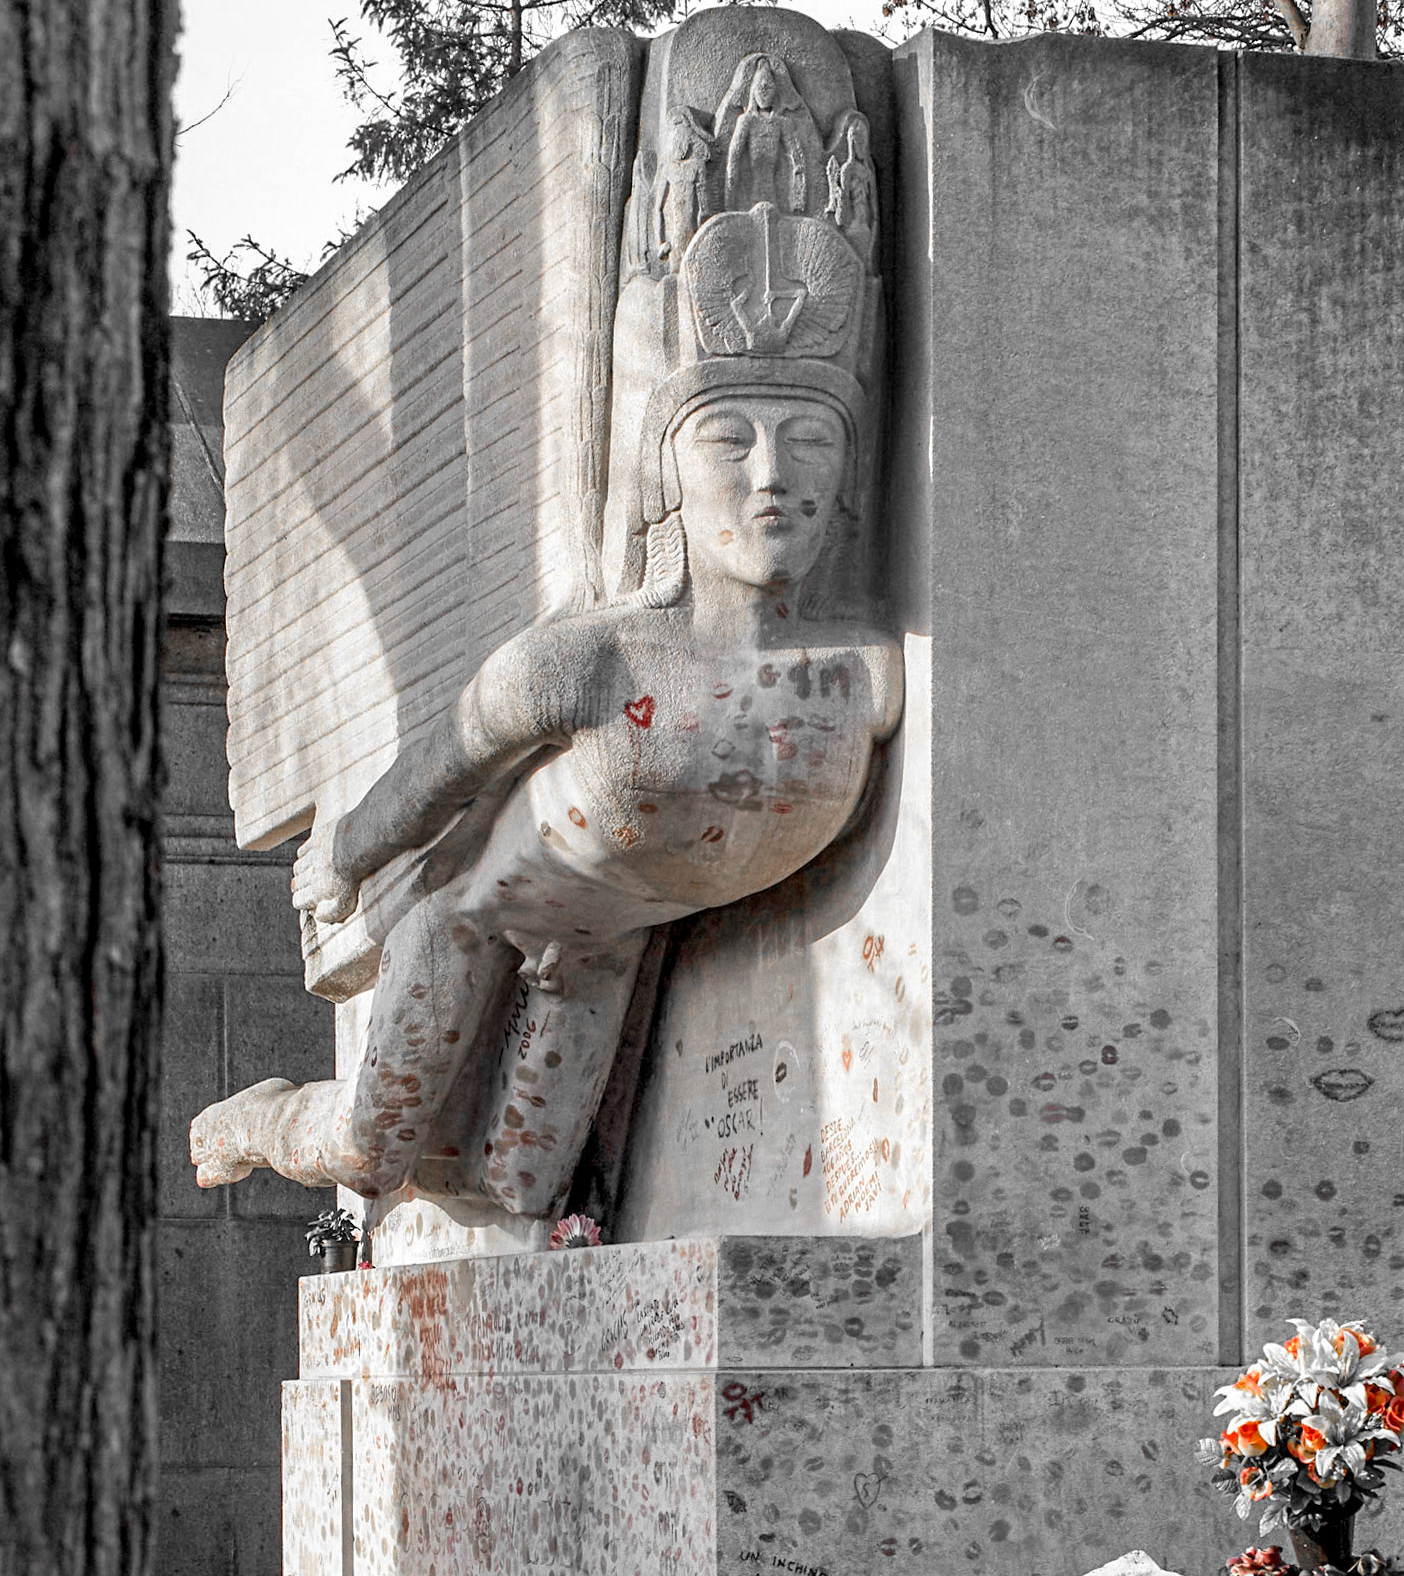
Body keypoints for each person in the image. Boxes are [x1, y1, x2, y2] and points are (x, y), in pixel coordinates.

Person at [190, 382, 901, 1212]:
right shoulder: (597, 661)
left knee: (521, 1191)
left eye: (812, 438)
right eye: (728, 441)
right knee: (368, 1152)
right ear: (664, 477)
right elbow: (442, 767)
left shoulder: (867, 679)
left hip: (599, 947)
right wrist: (345, 855)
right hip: (473, 923)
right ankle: (252, 1121)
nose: (772, 475)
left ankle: (450, 1150)